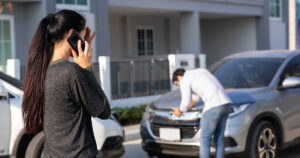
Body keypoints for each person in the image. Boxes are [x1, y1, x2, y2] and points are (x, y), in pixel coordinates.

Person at [22, 10, 111, 158]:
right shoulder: (72, 72)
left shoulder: (39, 73)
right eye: (82, 37)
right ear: (71, 35)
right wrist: (87, 68)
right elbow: (103, 110)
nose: (84, 43)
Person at [172, 68, 232, 158]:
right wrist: (189, 107)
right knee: (219, 139)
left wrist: (180, 111)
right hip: (226, 104)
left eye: (177, 84)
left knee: (205, 139)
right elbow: (196, 97)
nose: (179, 86)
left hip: (213, 106)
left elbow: (185, 101)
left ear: (179, 77)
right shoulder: (201, 72)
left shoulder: (184, 80)